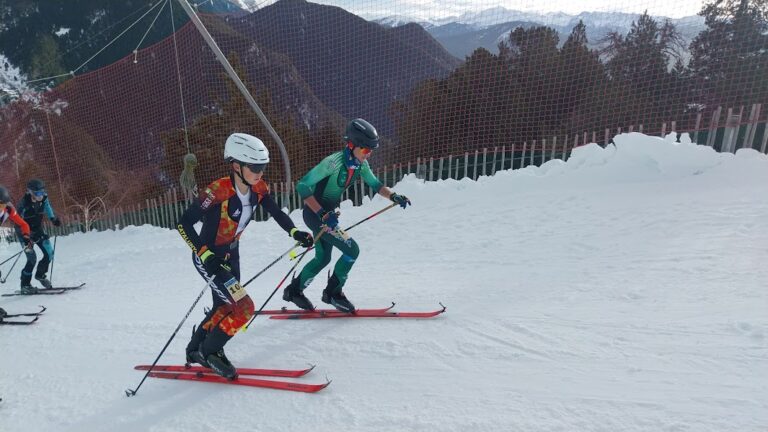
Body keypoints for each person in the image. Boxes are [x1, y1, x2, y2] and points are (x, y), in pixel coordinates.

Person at [177, 132, 313, 379]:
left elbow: (276, 212)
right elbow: (183, 223)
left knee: (224, 305)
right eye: (255, 167)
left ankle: (195, 349)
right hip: (209, 257)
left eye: (263, 167)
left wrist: (295, 232)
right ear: (236, 166)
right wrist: (205, 255)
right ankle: (211, 352)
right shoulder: (218, 191)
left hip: (231, 256)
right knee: (244, 307)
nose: (260, 172)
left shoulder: (258, 188)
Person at [282, 118, 411, 313]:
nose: (368, 155)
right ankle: (333, 293)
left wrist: (393, 196)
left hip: (327, 215)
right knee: (352, 250)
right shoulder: (332, 163)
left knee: (323, 258)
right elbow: (302, 186)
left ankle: (294, 291)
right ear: (352, 145)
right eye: (366, 150)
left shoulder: (360, 165)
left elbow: (376, 185)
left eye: (371, 151)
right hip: (317, 215)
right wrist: (323, 213)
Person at [11, 181, 58, 294]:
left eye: (42, 192)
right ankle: (25, 285)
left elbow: (47, 206)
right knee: (32, 259)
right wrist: (26, 238)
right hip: (24, 234)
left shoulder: (43, 198)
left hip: (37, 229)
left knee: (49, 253)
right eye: (37, 193)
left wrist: (53, 218)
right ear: (30, 192)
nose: (40, 195)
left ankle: (40, 275)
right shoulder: (23, 204)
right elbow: (18, 223)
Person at [0, 186, 33, 293]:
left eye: (3, 204)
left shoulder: (8, 209)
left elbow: (23, 224)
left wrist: (26, 237)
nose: (2, 207)